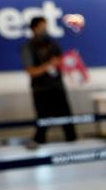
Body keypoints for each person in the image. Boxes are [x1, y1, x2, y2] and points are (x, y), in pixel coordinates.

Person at [20, 16, 75, 146]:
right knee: (43, 121)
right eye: (41, 27)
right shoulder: (28, 47)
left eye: (46, 26)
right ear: (34, 28)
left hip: (57, 87)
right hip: (41, 89)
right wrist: (48, 65)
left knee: (67, 120)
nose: (44, 30)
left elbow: (63, 62)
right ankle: (39, 146)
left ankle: (72, 145)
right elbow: (31, 71)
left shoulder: (53, 44)